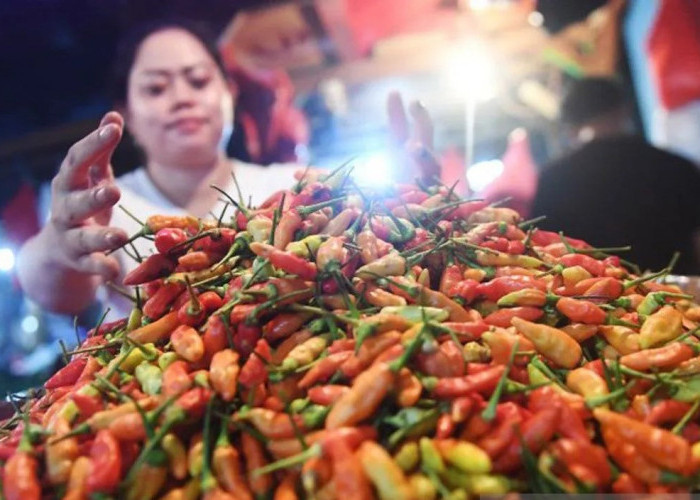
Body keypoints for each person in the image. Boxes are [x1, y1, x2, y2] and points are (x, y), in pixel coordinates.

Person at [16, 20, 438, 322]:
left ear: (229, 94)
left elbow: (375, 246)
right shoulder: (105, 205)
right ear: (127, 111)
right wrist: (59, 249)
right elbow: (52, 289)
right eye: (156, 88)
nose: (181, 97)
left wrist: (410, 201)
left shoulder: (292, 185)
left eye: (198, 81)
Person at [531, 78, 700, 274]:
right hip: (681, 298)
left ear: (572, 123)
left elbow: (544, 251)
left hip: (597, 299)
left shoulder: (553, 179)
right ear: (624, 109)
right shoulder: (675, 165)